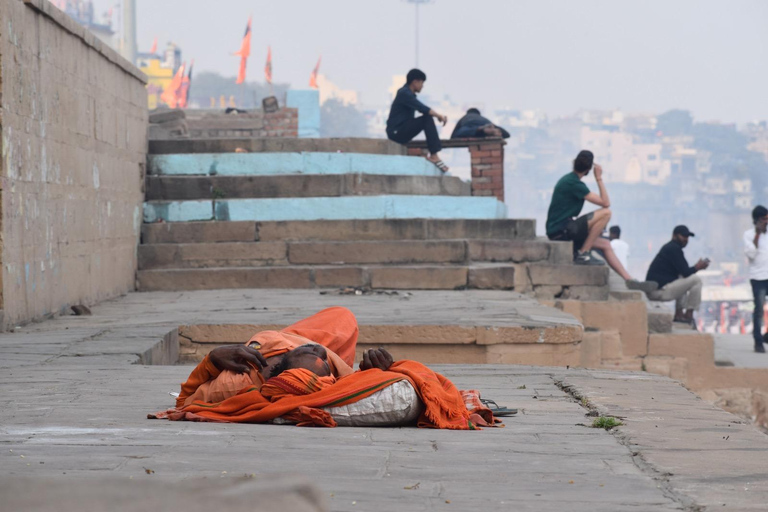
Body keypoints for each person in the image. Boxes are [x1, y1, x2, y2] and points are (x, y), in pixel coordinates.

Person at [545, 150, 656, 292]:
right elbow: (605, 203)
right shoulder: (573, 183)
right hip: (561, 232)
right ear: (588, 169)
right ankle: (584, 253)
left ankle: (629, 280)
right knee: (606, 213)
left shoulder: (571, 180)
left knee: (605, 244)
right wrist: (599, 178)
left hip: (563, 229)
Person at [386, 69, 450, 172]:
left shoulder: (409, 94)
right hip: (396, 132)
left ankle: (434, 153)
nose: (422, 86)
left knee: (427, 118)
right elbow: (422, 108)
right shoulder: (404, 93)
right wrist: (439, 116)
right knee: (427, 119)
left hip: (402, 129)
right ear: (415, 82)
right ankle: (434, 155)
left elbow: (423, 110)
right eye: (421, 83)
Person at [646, 225, 710, 327]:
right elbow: (686, 272)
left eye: (687, 237)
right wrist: (697, 267)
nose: (686, 240)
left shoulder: (672, 248)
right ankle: (689, 314)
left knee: (683, 280)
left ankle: (679, 314)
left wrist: (696, 268)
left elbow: (684, 273)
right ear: (674, 236)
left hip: (657, 290)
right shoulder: (673, 249)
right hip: (658, 291)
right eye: (683, 236)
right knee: (696, 280)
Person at [744, 205, 768, 353]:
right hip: (758, 277)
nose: (766, 222)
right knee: (758, 310)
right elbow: (751, 254)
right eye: (764, 219)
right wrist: (758, 235)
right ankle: (758, 341)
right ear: (757, 220)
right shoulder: (748, 235)